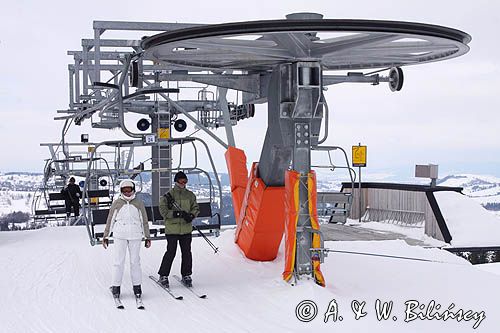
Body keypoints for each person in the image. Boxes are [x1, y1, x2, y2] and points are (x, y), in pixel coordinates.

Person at [103, 179, 151, 301]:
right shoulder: (117, 203)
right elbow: (110, 219)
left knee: (135, 262)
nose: (127, 193)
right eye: (125, 190)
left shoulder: (138, 203)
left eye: (129, 190)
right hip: (120, 235)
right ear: (121, 191)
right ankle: (116, 287)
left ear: (133, 190)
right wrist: (106, 236)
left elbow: (143, 220)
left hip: (135, 235)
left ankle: (137, 287)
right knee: (118, 262)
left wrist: (147, 236)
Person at [158, 171, 199, 288]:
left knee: (187, 252)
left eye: (185, 181)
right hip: (172, 229)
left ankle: (186, 274)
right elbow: (164, 212)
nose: (183, 183)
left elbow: (195, 207)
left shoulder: (190, 195)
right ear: (176, 181)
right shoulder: (168, 196)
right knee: (171, 252)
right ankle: (163, 274)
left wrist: (191, 215)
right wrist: (176, 214)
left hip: (186, 229)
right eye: (181, 181)